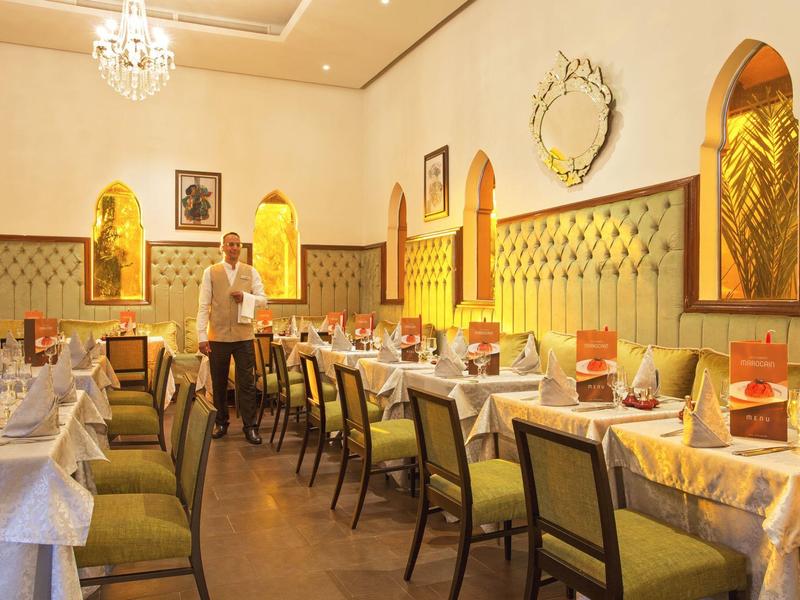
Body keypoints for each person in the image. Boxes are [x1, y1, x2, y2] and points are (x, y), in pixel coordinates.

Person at [197, 232, 267, 444]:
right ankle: (221, 423)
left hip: (243, 336)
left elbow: (263, 300)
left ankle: (250, 427)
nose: (234, 248)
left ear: (240, 247)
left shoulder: (250, 271)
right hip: (217, 336)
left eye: (237, 244)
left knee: (247, 383)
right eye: (230, 244)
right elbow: (203, 306)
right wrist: (202, 336)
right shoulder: (210, 272)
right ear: (222, 247)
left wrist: (246, 297)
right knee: (218, 383)